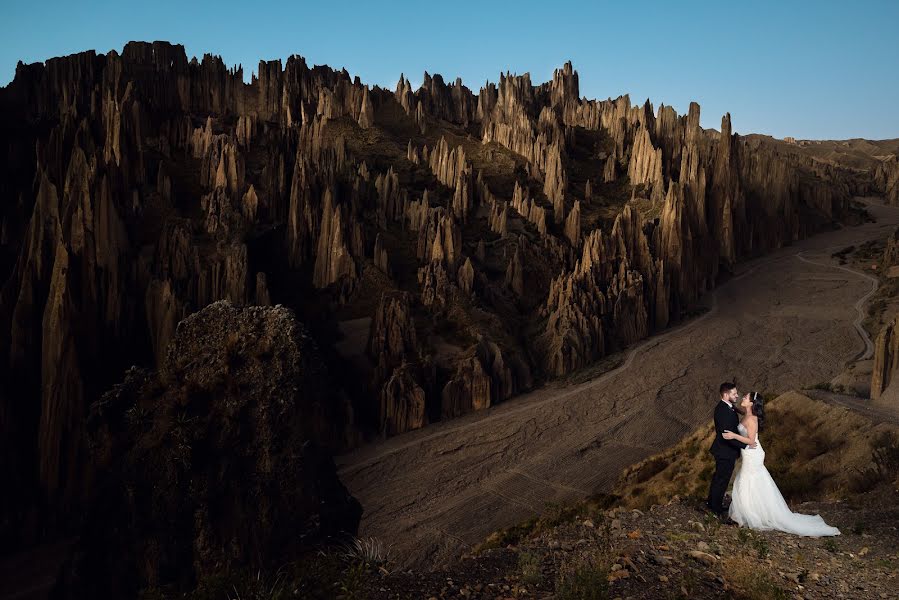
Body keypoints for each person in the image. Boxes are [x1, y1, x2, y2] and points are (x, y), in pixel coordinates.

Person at [724, 392, 840, 536]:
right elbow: (746, 419)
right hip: (748, 453)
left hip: (753, 453)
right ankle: (746, 513)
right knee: (748, 481)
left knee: (748, 481)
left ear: (752, 403)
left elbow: (752, 441)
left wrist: (733, 435)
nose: (743, 398)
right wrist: (735, 409)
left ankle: (746, 515)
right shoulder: (748, 414)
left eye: (746, 397)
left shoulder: (752, 419)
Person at [706, 382, 754, 517]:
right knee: (722, 479)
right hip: (724, 451)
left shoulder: (728, 407)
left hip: (726, 450)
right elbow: (727, 435)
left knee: (720, 478)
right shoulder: (722, 410)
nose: (737, 396)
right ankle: (715, 508)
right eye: (734, 394)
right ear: (726, 395)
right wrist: (745, 446)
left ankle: (712, 503)